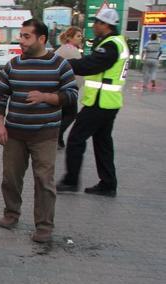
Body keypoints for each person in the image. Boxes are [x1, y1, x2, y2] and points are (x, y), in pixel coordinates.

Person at [0, 19, 78, 243]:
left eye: (26, 37)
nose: (21, 41)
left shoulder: (60, 65)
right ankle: (11, 213)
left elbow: (71, 95)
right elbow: (0, 97)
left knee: (44, 181)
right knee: (10, 178)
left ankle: (44, 226)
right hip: (15, 135)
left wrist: (46, 97)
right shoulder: (13, 65)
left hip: (45, 135)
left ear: (41, 39)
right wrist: (0, 125)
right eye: (21, 36)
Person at [57, 8, 129, 197]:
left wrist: (64, 65)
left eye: (96, 22)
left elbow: (90, 65)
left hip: (100, 103)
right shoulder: (115, 42)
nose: (94, 25)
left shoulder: (111, 46)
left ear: (105, 25)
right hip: (108, 103)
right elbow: (92, 63)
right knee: (103, 143)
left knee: (75, 139)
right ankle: (108, 184)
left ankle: (71, 181)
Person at [55, 26, 84, 149]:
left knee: (63, 114)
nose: (80, 38)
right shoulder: (71, 50)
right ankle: (57, 136)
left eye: (81, 36)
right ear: (70, 37)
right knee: (71, 114)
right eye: (78, 36)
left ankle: (59, 139)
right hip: (68, 87)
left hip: (61, 86)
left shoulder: (62, 49)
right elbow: (78, 71)